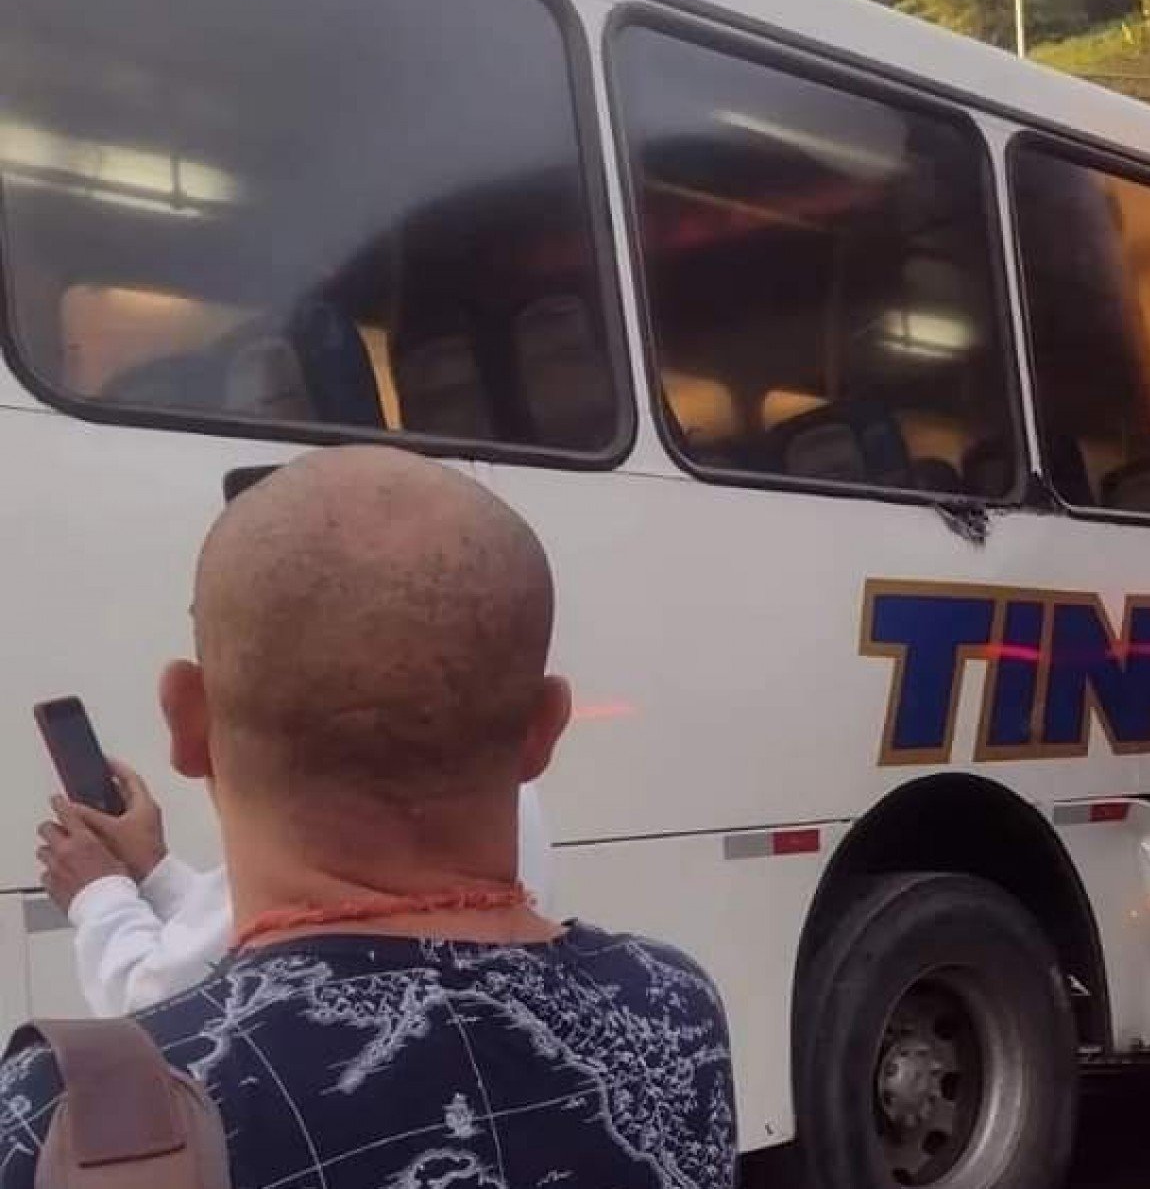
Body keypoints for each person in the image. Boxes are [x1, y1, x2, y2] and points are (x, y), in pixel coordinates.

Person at [0, 447, 735, 1189]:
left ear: (187, 725)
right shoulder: (674, 1007)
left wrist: (107, 894)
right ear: (542, 732)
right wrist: (156, 877)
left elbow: (208, 983)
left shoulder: (57, 1117)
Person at [38, 767, 554, 1017]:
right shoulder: (497, 777)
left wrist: (99, 895)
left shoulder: (329, 784)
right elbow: (265, 940)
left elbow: (163, 1013)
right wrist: (156, 873)